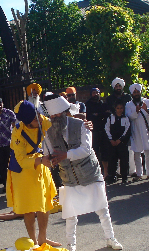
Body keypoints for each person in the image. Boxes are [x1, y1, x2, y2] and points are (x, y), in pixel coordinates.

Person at [43, 94, 123, 251]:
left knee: (102, 209)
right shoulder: (48, 133)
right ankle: (71, 244)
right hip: (69, 177)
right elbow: (48, 153)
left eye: (57, 114)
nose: (54, 118)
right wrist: (49, 159)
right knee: (70, 215)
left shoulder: (81, 125)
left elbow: (86, 149)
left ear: (63, 113)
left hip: (89, 173)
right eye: (52, 115)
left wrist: (66, 155)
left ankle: (110, 238)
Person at [6, 100, 60, 247]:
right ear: (27, 121)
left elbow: (58, 121)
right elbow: (22, 161)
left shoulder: (41, 120)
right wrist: (42, 160)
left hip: (41, 164)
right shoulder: (17, 133)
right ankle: (34, 242)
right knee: (29, 208)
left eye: (38, 116)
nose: (39, 119)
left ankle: (43, 238)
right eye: (35, 119)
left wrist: (82, 122)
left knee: (45, 204)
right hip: (23, 172)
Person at [125, 83, 149, 181]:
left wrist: (146, 109)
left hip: (147, 129)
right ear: (132, 93)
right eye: (134, 92)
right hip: (136, 130)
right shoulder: (128, 104)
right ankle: (139, 174)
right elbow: (129, 117)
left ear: (140, 92)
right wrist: (136, 111)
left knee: (148, 151)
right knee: (137, 152)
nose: (136, 94)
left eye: (137, 92)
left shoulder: (147, 101)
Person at [105, 77, 136, 177]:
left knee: (129, 151)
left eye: (119, 86)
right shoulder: (109, 99)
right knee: (114, 154)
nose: (118, 88)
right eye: (116, 86)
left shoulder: (127, 97)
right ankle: (116, 173)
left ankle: (131, 171)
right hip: (114, 124)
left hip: (127, 123)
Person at [85, 87, 110, 177]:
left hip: (103, 131)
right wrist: (100, 115)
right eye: (93, 92)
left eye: (97, 92)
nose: (95, 94)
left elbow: (107, 114)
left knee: (105, 152)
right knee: (94, 152)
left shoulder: (103, 104)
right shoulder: (87, 104)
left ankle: (106, 173)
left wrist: (97, 115)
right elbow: (89, 117)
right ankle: (95, 172)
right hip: (93, 132)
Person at [105, 100, 131, 184]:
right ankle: (112, 176)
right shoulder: (110, 118)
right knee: (112, 160)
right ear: (115, 109)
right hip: (112, 142)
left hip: (122, 142)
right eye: (118, 108)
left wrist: (120, 140)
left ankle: (124, 178)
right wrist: (111, 139)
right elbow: (107, 128)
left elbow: (127, 130)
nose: (119, 110)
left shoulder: (126, 118)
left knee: (124, 160)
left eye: (121, 108)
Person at [0, 98, 16, 193]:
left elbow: (15, 126)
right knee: (2, 166)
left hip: (8, 144)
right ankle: (5, 185)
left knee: (10, 165)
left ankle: (13, 185)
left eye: (0, 103)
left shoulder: (8, 113)